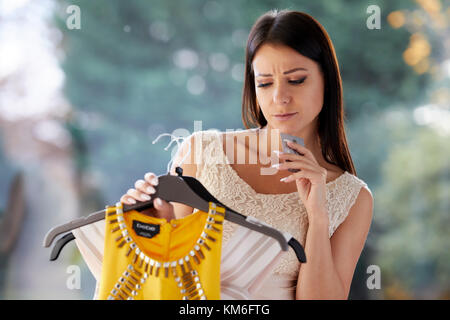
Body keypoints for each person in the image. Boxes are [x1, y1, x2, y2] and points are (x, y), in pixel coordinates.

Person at [120, 9, 373, 300]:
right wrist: (152, 220)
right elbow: (163, 278)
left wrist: (317, 218)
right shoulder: (203, 153)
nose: (279, 97)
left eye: (297, 80)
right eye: (265, 83)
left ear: (326, 79)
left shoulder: (352, 198)